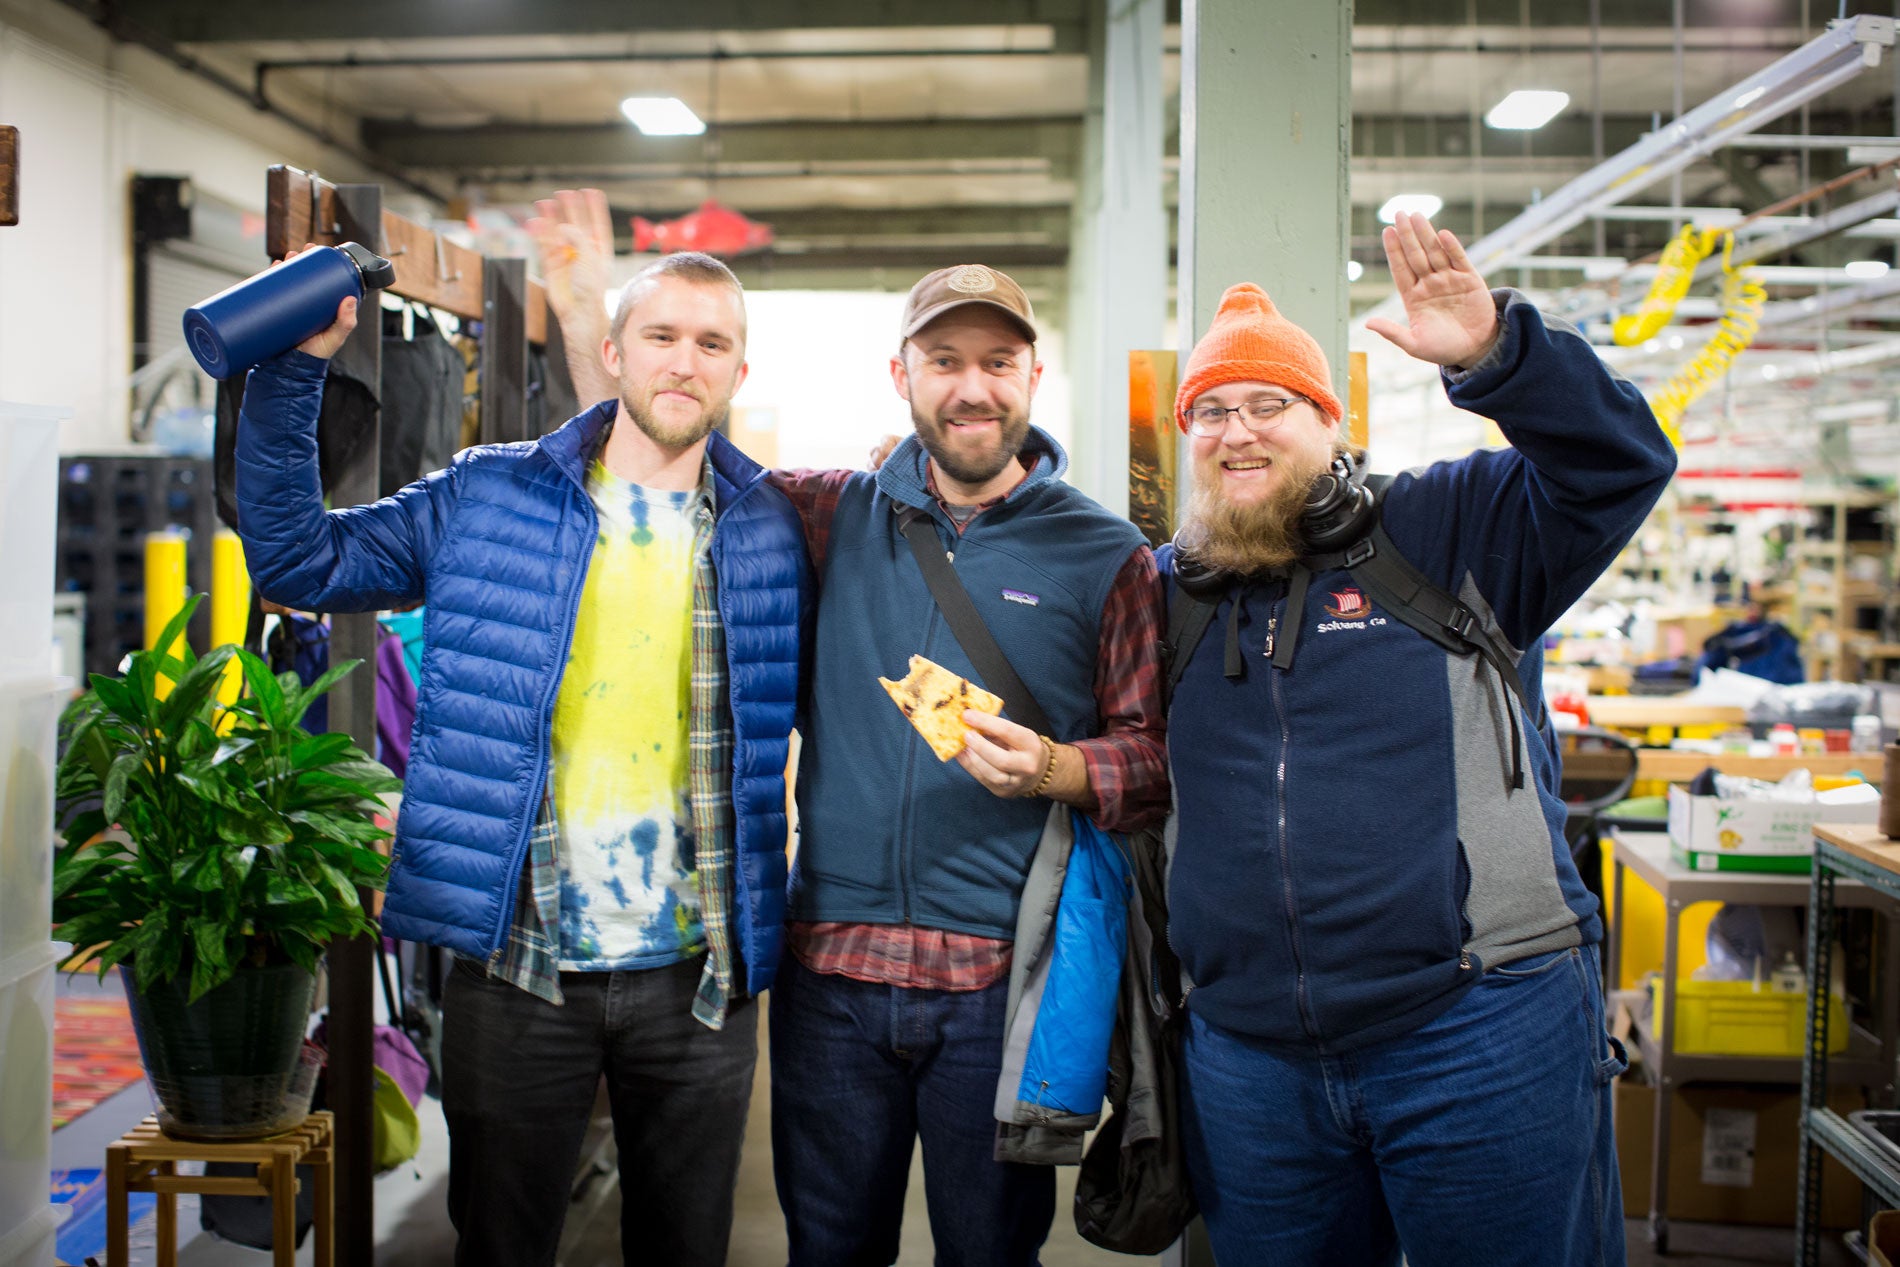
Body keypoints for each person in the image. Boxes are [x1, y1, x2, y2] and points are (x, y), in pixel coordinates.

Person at [530, 197, 1172, 1263]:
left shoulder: (1106, 553)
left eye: (998, 362)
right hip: (830, 980)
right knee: (827, 1250)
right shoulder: (823, 514)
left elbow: (1151, 759)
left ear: (1030, 380)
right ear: (902, 378)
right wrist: (595, 324)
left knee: (986, 1251)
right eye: (944, 361)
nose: (972, 386)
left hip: (997, 986)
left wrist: (1060, 765)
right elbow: (670, 450)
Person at [232, 245, 812, 1267]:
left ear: (738, 372)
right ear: (614, 352)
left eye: (711, 342)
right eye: (662, 336)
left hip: (700, 978)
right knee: (502, 1246)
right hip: (518, 968)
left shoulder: (775, 527)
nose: (685, 361)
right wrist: (292, 370)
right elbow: (297, 559)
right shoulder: (484, 496)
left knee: (685, 1249)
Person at [1158, 212, 1675, 1266]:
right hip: (1254, 1060)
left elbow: (1620, 465)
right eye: (1208, 411)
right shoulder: (1169, 594)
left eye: (1270, 405)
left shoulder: (1447, 532)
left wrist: (1498, 358)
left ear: (1331, 423)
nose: (1236, 431)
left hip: (1478, 1030)